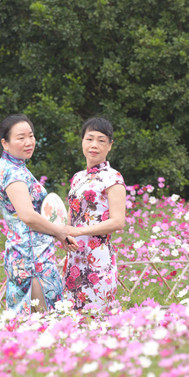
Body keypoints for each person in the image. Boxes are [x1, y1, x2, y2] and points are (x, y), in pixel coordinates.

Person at [0, 114, 77, 314]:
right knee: (43, 323)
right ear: (5, 143)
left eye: (30, 136)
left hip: (28, 253)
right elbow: (28, 216)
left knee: (32, 322)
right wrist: (59, 232)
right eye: (20, 137)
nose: (28, 142)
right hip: (31, 259)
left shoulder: (15, 167)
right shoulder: (13, 174)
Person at [64, 117, 126, 311]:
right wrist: (64, 233)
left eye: (101, 140)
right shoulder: (78, 178)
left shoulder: (113, 178)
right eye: (89, 139)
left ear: (110, 146)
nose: (94, 145)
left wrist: (79, 231)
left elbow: (117, 222)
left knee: (96, 319)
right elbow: (70, 216)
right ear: (82, 141)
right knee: (71, 318)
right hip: (73, 257)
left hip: (97, 259)